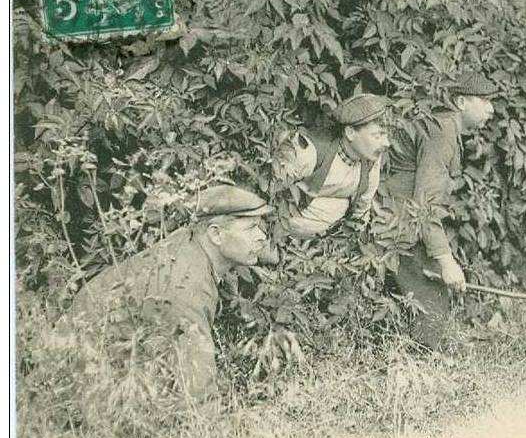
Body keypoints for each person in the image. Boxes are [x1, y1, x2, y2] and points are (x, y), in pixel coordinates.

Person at [64, 184, 272, 403]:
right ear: (215, 234)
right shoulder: (187, 286)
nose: (261, 237)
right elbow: (197, 395)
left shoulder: (189, 244)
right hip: (78, 384)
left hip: (97, 361)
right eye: (251, 228)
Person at [383, 72, 498, 348]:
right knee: (432, 297)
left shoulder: (444, 125)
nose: (491, 109)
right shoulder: (443, 130)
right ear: (460, 101)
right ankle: (423, 365)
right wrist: (446, 262)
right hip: (396, 222)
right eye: (484, 101)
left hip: (396, 217)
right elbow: (424, 205)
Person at [276, 93, 392, 239]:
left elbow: (364, 202)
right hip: (285, 236)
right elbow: (271, 193)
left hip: (332, 239)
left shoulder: (370, 159)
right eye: (377, 136)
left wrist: (356, 230)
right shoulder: (310, 152)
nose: (387, 143)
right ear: (350, 133)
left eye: (386, 135)